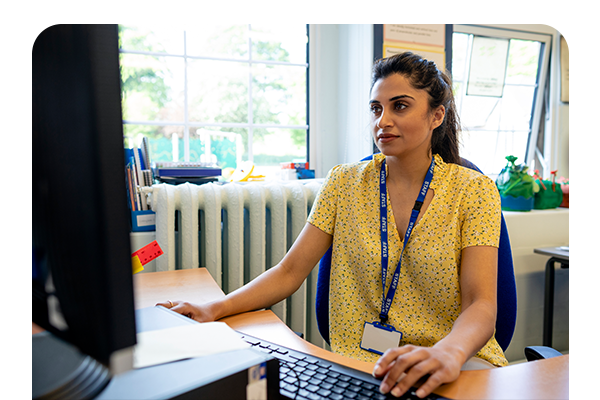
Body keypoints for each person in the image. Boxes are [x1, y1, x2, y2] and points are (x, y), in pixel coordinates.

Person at [157, 52, 507, 399]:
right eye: (376, 108)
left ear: (436, 115)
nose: (382, 121)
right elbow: (290, 270)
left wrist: (448, 352)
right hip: (361, 364)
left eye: (399, 106)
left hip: (450, 362)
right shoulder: (345, 182)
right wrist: (214, 308)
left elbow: (481, 303)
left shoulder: (473, 190)